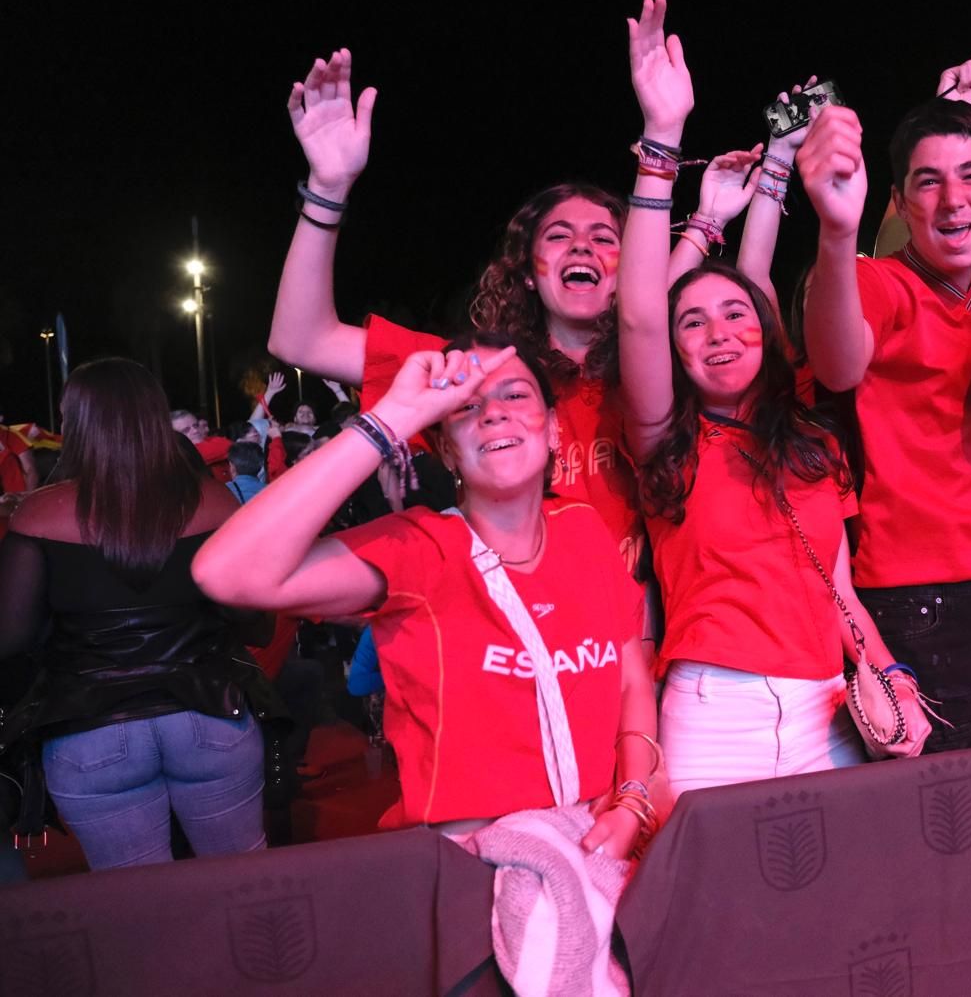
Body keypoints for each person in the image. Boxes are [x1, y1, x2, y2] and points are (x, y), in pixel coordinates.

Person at [266, 50, 756, 580]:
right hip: (519, 640)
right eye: (559, 237)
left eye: (605, 240)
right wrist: (327, 190)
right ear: (528, 272)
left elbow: (657, 310)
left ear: (628, 271)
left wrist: (706, 221)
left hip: (645, 648)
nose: (582, 250)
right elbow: (301, 340)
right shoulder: (479, 374)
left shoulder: (665, 370)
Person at [620, 0, 928, 791]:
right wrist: (662, 143)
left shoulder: (811, 442)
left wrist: (887, 671)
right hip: (712, 716)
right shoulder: (665, 438)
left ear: (764, 332)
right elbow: (640, 320)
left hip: (829, 709)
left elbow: (836, 587)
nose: (718, 331)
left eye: (734, 315)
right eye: (692, 323)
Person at [193, 337, 658, 841]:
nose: (495, 414)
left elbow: (631, 681)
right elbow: (225, 573)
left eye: (516, 396)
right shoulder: (418, 548)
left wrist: (633, 801)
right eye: (466, 406)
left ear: (553, 430)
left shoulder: (583, 530)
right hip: (471, 869)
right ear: (448, 453)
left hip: (594, 848)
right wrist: (390, 417)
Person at [798, 88, 971, 752]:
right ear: (901, 199)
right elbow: (836, 365)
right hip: (915, 605)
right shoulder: (880, 283)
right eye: (927, 181)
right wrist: (834, 228)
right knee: (943, 824)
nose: (951, 200)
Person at [0, 359, 281, 869]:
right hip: (209, 714)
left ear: (77, 422)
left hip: (89, 730)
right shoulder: (213, 502)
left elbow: (10, 635)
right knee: (243, 882)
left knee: (138, 910)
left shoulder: (39, 514)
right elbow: (257, 621)